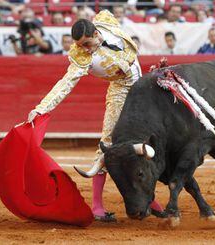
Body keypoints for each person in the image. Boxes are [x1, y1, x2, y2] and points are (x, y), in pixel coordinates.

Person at [26, 10, 166, 222]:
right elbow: (65, 84)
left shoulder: (106, 20)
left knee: (155, 135)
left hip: (142, 87)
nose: (84, 49)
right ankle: (97, 207)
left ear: (96, 33)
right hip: (120, 93)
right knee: (108, 144)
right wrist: (41, 108)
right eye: (81, 45)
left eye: (87, 43)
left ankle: (150, 197)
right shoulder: (81, 56)